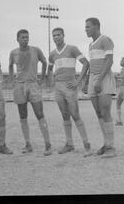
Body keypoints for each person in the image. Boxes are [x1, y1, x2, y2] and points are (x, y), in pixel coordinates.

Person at [47, 27, 93, 157]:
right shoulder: (52, 53)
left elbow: (86, 63)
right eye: (54, 35)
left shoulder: (72, 48)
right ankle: (70, 144)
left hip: (70, 86)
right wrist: (52, 81)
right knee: (65, 115)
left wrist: (78, 81)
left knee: (75, 114)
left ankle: (86, 145)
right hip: (58, 87)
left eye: (58, 35)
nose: (56, 37)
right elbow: (49, 69)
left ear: (63, 35)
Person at [9, 29, 52, 156]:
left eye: (27, 37)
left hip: (33, 85)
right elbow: (10, 66)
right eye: (22, 37)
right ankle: (28, 144)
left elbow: (44, 62)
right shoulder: (13, 53)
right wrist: (12, 80)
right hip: (20, 86)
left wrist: (41, 79)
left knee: (40, 114)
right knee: (23, 116)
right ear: (17, 39)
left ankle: (48, 144)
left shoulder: (36, 50)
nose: (25, 39)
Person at [84, 17, 117, 158]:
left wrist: (99, 80)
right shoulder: (90, 45)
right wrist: (87, 81)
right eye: (85, 27)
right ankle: (106, 143)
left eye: (88, 26)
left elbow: (109, 61)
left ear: (96, 26)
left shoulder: (106, 40)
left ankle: (111, 148)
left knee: (105, 111)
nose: (86, 29)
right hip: (92, 78)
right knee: (98, 113)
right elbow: (91, 64)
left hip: (103, 78)